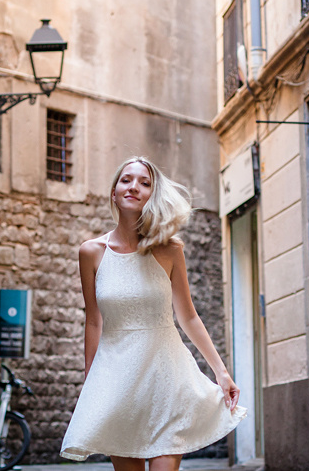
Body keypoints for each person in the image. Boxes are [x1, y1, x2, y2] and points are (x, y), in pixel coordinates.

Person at [60, 157, 247, 471]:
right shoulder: (91, 252)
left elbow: (188, 316)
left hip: (167, 377)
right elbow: (93, 320)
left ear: (152, 195)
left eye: (144, 183)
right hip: (117, 380)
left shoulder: (170, 250)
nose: (134, 186)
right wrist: (91, 383)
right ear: (113, 193)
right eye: (126, 180)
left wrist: (221, 372)